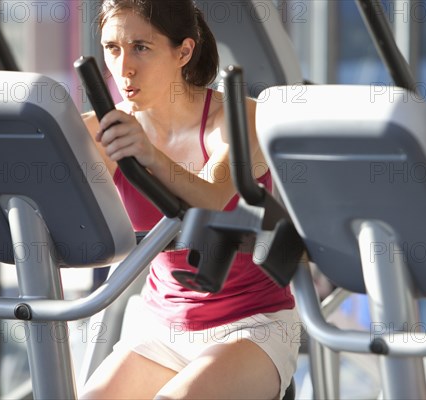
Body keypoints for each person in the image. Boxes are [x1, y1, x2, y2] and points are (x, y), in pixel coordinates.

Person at [79, 1, 300, 399]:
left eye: (141, 47)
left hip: (250, 325)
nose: (124, 66)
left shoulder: (236, 118)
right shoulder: (105, 130)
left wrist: (150, 154)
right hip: (161, 326)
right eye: (112, 48)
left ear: (183, 51)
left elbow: (213, 197)